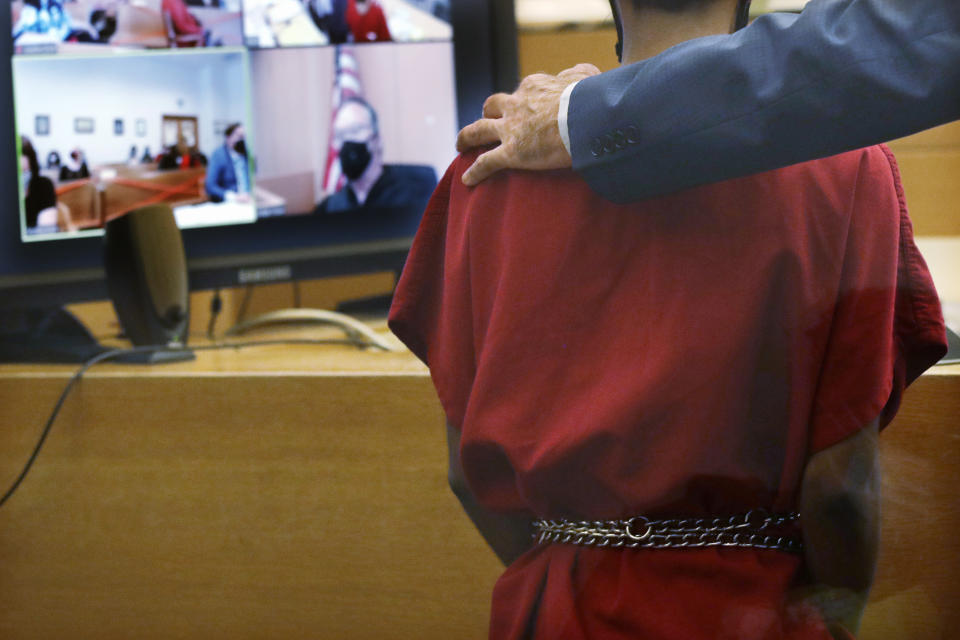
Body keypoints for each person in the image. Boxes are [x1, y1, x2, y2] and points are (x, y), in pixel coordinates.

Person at [388, 0, 949, 638]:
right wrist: (837, 612)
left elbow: (467, 473)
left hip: (559, 611)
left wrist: (587, 563)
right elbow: (840, 493)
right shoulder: (849, 167)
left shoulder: (486, 168)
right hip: (756, 614)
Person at [456, 0, 960, 203]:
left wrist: (576, 117)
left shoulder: (488, 165)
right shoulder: (857, 171)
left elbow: (464, 413)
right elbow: (849, 427)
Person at [315, 98, 436, 214]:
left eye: (355, 130)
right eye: (340, 134)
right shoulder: (330, 207)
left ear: (377, 139)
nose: (347, 139)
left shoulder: (418, 189)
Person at [205, 123, 251, 203]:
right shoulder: (218, 155)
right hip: (231, 200)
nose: (241, 140)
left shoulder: (246, 154)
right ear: (228, 137)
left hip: (250, 198)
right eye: (239, 136)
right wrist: (234, 197)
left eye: (243, 136)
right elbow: (211, 186)